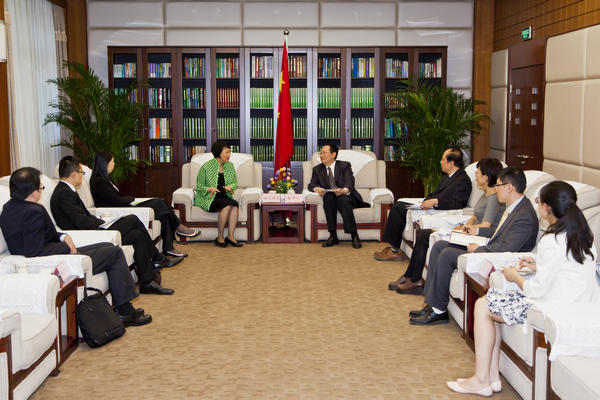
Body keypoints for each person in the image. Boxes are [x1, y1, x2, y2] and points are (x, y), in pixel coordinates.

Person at [447, 181, 599, 396]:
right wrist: (538, 266)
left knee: (483, 306)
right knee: (491, 302)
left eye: (538, 202)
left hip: (550, 308)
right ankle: (491, 378)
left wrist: (515, 276)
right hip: (574, 304)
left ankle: (481, 380)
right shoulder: (584, 235)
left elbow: (535, 290)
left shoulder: (552, 240)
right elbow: (568, 268)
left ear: (546, 207)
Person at [0, 167, 151, 326]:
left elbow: (47, 234)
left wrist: (64, 237)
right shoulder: (33, 211)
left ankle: (122, 307)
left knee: (108, 246)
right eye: (40, 188)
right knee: (114, 252)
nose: (41, 191)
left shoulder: (8, 208)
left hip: (57, 252)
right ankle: (125, 312)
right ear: (33, 193)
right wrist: (67, 248)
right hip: (57, 260)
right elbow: (34, 252)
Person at [410, 166, 539, 325]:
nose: (495, 189)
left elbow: (506, 249)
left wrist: (478, 249)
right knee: (439, 246)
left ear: (509, 187)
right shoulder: (515, 207)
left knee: (447, 254)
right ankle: (432, 304)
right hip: (489, 247)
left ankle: (439, 311)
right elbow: (498, 234)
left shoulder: (524, 215)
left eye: (498, 185)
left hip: (495, 258)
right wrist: (476, 232)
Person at [50, 155, 177, 295]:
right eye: (81, 172)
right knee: (133, 219)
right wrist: (102, 223)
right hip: (90, 235)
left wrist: (100, 220)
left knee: (137, 235)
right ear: (74, 174)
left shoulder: (66, 190)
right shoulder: (64, 194)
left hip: (95, 228)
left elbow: (82, 218)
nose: (82, 176)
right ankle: (158, 259)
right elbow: (81, 222)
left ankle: (147, 282)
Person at [390, 158, 505, 294]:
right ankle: (411, 276)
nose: (475, 175)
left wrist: (466, 230)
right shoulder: (486, 194)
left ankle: (415, 279)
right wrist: (465, 225)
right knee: (424, 234)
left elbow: (486, 225)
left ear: (486, 177)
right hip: (468, 232)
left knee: (425, 235)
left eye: (478, 173)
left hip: (475, 237)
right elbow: (475, 216)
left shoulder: (494, 199)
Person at [90, 150, 199, 258]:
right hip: (118, 211)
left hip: (123, 206)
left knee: (162, 211)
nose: (114, 164)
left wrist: (129, 199)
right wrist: (130, 199)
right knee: (159, 203)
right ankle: (178, 227)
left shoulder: (105, 179)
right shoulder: (98, 182)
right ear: (104, 163)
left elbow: (115, 199)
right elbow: (116, 201)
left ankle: (169, 247)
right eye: (112, 162)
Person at [374, 147, 472, 261]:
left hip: (440, 211)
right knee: (398, 204)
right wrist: (426, 201)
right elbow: (435, 193)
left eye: (443, 159)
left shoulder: (463, 180)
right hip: (430, 206)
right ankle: (393, 247)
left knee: (398, 208)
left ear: (451, 163)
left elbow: (458, 203)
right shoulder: (447, 177)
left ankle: (394, 250)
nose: (440, 162)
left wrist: (436, 202)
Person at [307, 143, 369, 249]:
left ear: (333, 154)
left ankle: (354, 235)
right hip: (331, 197)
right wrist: (317, 189)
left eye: (324, 153)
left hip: (347, 196)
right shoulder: (317, 169)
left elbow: (350, 182)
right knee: (328, 198)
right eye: (320, 153)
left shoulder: (344, 165)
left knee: (342, 200)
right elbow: (311, 185)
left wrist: (343, 190)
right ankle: (333, 235)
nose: (321, 155)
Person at [194, 141, 243, 247]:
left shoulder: (230, 166)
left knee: (234, 205)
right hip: (209, 198)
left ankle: (230, 236)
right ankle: (220, 237)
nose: (229, 155)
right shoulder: (206, 167)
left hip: (224, 196)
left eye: (230, 152)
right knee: (227, 205)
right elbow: (199, 186)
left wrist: (231, 187)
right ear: (218, 153)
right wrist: (209, 188)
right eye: (226, 152)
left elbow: (235, 183)